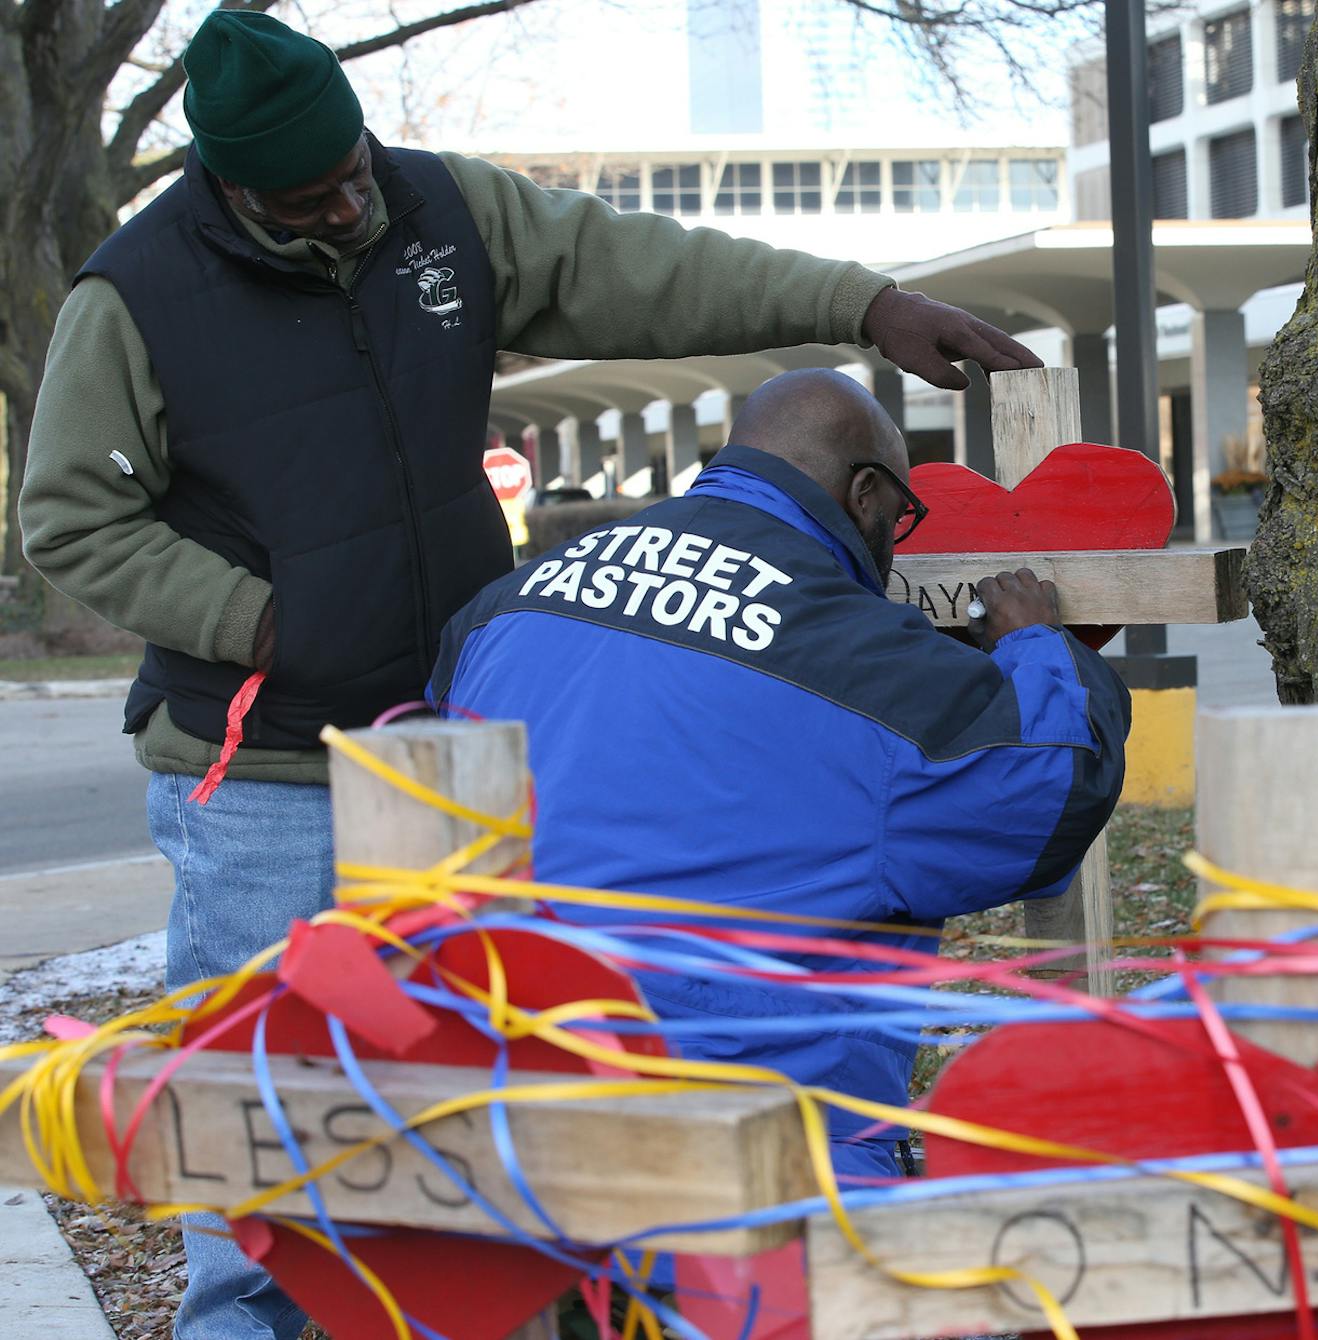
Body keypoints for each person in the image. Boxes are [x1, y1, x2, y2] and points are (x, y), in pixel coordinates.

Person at [15, 12, 1037, 1337]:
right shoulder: (132, 297)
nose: (349, 202)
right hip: (272, 784)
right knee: (262, 1151)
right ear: (229, 183)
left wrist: (863, 304)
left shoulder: (440, 212)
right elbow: (72, 520)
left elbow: (651, 269)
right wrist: (272, 627)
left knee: (496, 1130)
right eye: (310, 196)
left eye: (356, 170)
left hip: (470, 770)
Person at [430, 369, 1130, 1174]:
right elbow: (1045, 794)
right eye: (900, 515)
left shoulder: (506, 606)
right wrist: (1036, 643)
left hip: (503, 1116)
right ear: (866, 492)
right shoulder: (873, 666)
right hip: (758, 1152)